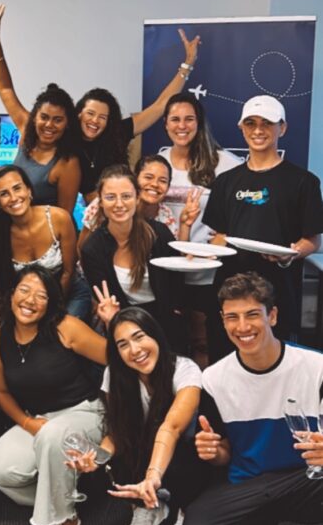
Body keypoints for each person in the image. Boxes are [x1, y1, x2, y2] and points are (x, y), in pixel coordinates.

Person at [176, 272, 323, 525]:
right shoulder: (214, 379)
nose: (243, 327)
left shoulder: (316, 368)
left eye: (252, 315)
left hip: (306, 480)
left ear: (272, 316)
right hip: (248, 486)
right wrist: (214, 452)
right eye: (232, 317)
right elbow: (225, 453)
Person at [68, 307, 205, 525]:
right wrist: (96, 457)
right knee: (116, 455)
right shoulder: (115, 375)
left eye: (140, 337)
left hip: (181, 454)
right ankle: (147, 507)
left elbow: (172, 427)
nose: (135, 350)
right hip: (142, 449)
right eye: (123, 345)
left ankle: (186, 512)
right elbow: (117, 431)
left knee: (188, 454)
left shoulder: (185, 370)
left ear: (155, 336)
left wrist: (152, 475)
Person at [0, 266, 107, 525]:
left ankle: (64, 517)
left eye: (41, 296)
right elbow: (1, 392)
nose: (30, 301)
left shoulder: (66, 327)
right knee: (0, 469)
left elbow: (117, 359)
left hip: (84, 412)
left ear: (51, 303)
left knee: (53, 436)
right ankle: (68, 491)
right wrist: (27, 423)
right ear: (12, 294)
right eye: (24, 291)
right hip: (38, 419)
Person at [204, 95, 323, 342]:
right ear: (241, 128)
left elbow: (312, 240)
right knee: (226, 359)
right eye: (250, 123)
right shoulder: (226, 181)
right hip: (229, 291)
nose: (258, 131)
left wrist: (289, 254)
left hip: (279, 292)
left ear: (283, 127)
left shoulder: (304, 182)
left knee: (276, 363)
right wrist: (201, 254)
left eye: (267, 123)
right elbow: (220, 237)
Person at [158, 92, 243, 364]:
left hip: (207, 271)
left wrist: (221, 239)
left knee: (207, 338)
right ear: (166, 124)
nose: (182, 126)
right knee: (174, 339)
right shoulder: (159, 161)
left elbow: (244, 207)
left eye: (189, 119)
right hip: (167, 270)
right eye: (175, 119)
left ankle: (208, 399)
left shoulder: (224, 163)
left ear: (199, 123)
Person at [73, 29, 201, 201]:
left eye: (102, 117)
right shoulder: (67, 140)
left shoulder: (118, 132)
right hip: (89, 216)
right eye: (90, 113)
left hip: (125, 209)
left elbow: (160, 106)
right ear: (79, 114)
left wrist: (188, 64)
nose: (95, 121)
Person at [0, 5, 82, 213]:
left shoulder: (68, 163)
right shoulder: (26, 129)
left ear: (67, 125)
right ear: (35, 117)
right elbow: (5, 88)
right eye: (44, 117)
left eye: (58, 120)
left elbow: (63, 217)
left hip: (43, 240)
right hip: (11, 232)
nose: (49, 125)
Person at [0, 164, 91, 337]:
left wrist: (47, 312)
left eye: (17, 188)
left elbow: (68, 272)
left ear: (29, 190)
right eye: (4, 194)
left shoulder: (58, 218)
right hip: (29, 300)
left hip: (68, 292)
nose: (13, 197)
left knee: (59, 336)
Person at [80, 165, 183, 349]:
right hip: (124, 325)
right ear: (101, 202)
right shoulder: (92, 249)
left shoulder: (159, 233)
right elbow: (106, 301)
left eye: (126, 196)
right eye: (111, 197)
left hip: (166, 324)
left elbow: (176, 280)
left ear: (137, 198)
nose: (119, 204)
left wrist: (175, 311)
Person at [78, 153, 194, 252]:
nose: (155, 184)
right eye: (148, 177)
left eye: (163, 181)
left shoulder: (165, 215)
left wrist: (185, 225)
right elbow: (82, 247)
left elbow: (173, 257)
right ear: (135, 179)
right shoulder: (106, 202)